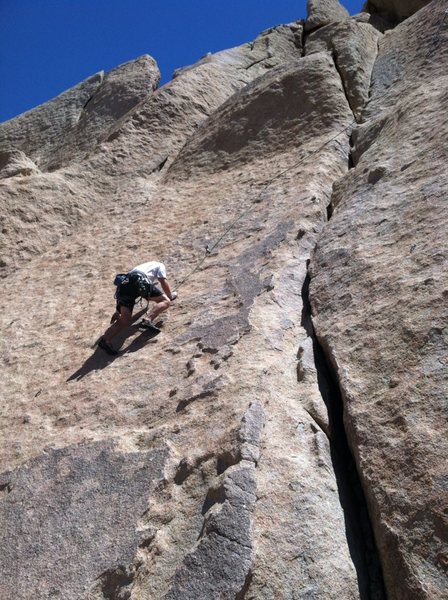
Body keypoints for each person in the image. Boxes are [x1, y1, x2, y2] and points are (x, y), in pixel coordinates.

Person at [98, 261, 177, 355]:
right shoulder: (160, 265)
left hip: (124, 284)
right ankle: (148, 320)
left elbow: (131, 288)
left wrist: (118, 311)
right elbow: (163, 281)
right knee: (165, 301)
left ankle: (106, 340)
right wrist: (170, 296)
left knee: (125, 320)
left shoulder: (143, 267)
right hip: (139, 280)